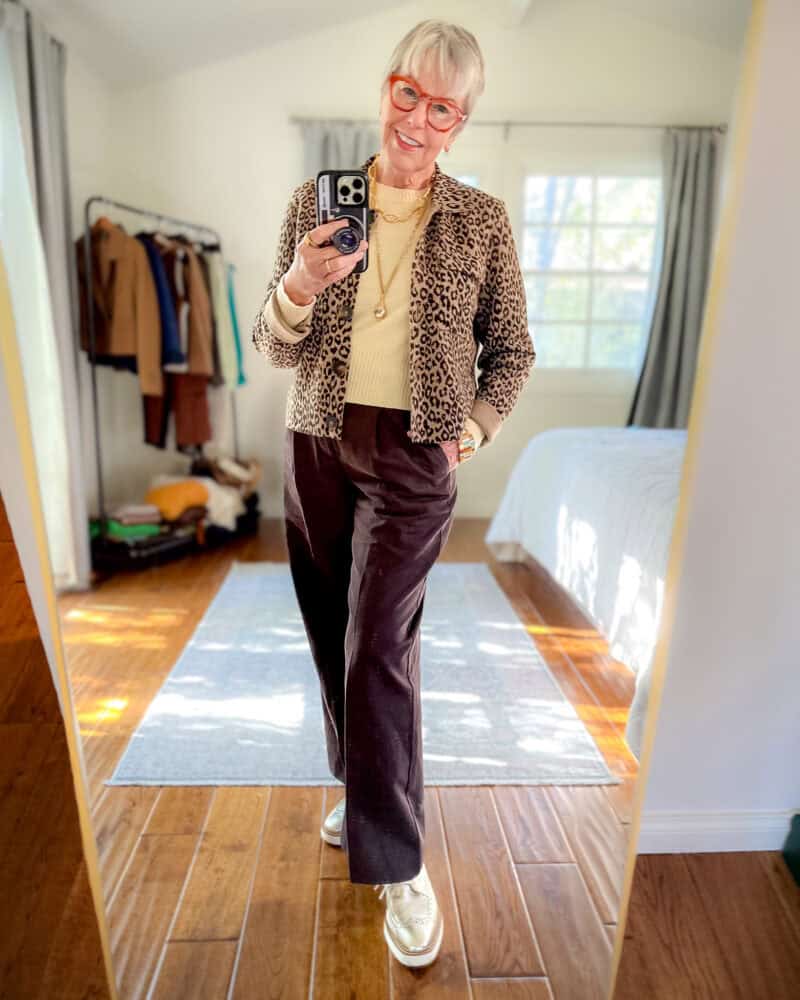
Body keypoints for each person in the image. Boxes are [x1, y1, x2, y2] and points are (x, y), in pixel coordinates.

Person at [252, 18, 535, 969]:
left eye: (442, 106)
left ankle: (401, 862)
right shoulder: (317, 199)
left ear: (460, 122)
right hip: (319, 441)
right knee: (332, 627)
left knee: (381, 645)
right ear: (387, 90)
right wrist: (299, 278)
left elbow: (514, 351)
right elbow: (272, 340)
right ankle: (363, 786)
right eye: (407, 93)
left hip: (417, 456)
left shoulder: (481, 221)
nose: (418, 117)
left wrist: (478, 426)